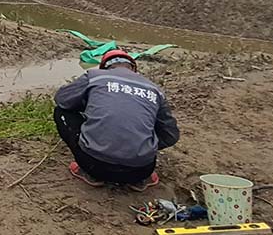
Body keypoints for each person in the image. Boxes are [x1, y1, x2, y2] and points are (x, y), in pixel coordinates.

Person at [53, 50, 179, 191]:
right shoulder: (155, 90)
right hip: (141, 170)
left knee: (61, 111)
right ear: (133, 68)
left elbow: (62, 100)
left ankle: (88, 174)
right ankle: (139, 181)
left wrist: (88, 105)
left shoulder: (95, 76)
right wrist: (147, 144)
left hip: (93, 165)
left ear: (104, 67)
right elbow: (171, 135)